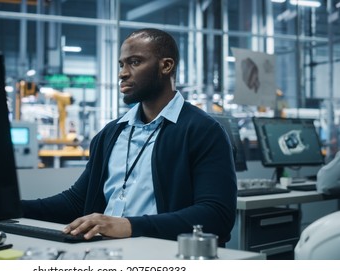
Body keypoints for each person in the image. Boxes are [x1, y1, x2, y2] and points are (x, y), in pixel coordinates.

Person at [21, 28, 237, 246]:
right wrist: (10, 208)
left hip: (165, 254)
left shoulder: (203, 131)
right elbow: (77, 202)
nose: (122, 73)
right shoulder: (110, 133)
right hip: (107, 251)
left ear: (166, 66)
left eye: (134, 62)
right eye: (121, 64)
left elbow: (216, 216)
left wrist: (129, 226)